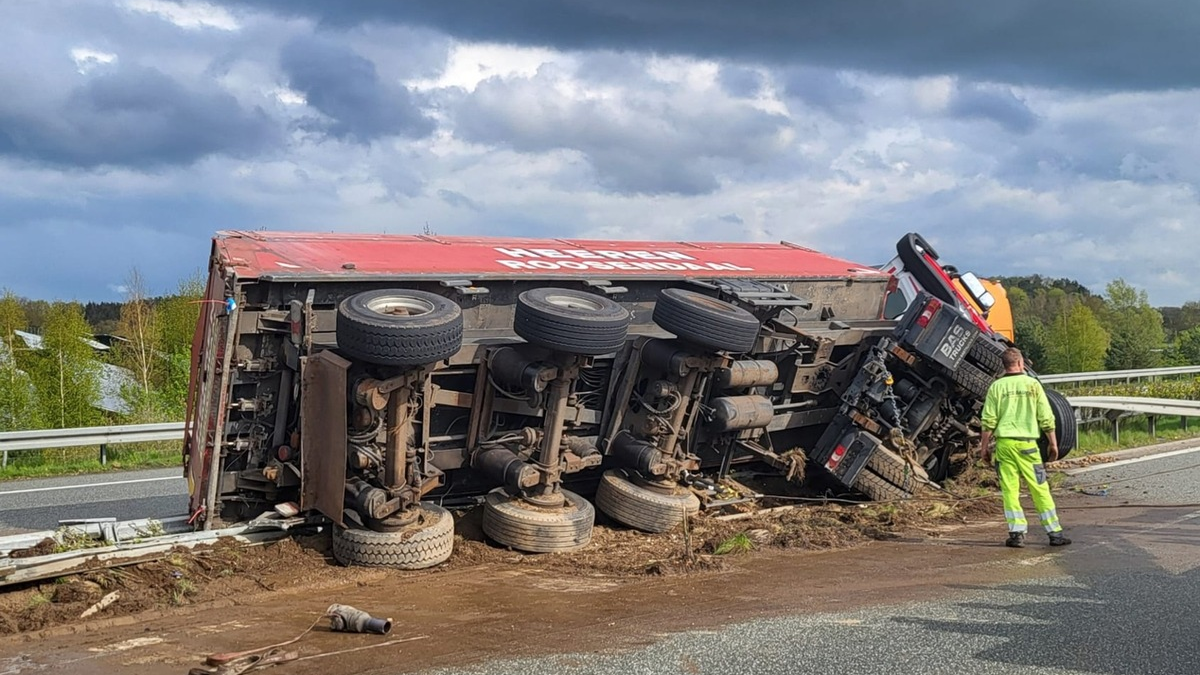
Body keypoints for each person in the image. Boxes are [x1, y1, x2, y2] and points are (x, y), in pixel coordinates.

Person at [978, 347, 1071, 548]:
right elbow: (1046, 417)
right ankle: (1054, 533)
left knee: (1010, 491)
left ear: (1004, 366)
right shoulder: (1033, 385)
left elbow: (988, 421)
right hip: (1028, 446)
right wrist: (1053, 444)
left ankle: (1017, 534)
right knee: (1039, 489)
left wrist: (984, 448)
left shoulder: (996, 387)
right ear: (1021, 364)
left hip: (1004, 446)